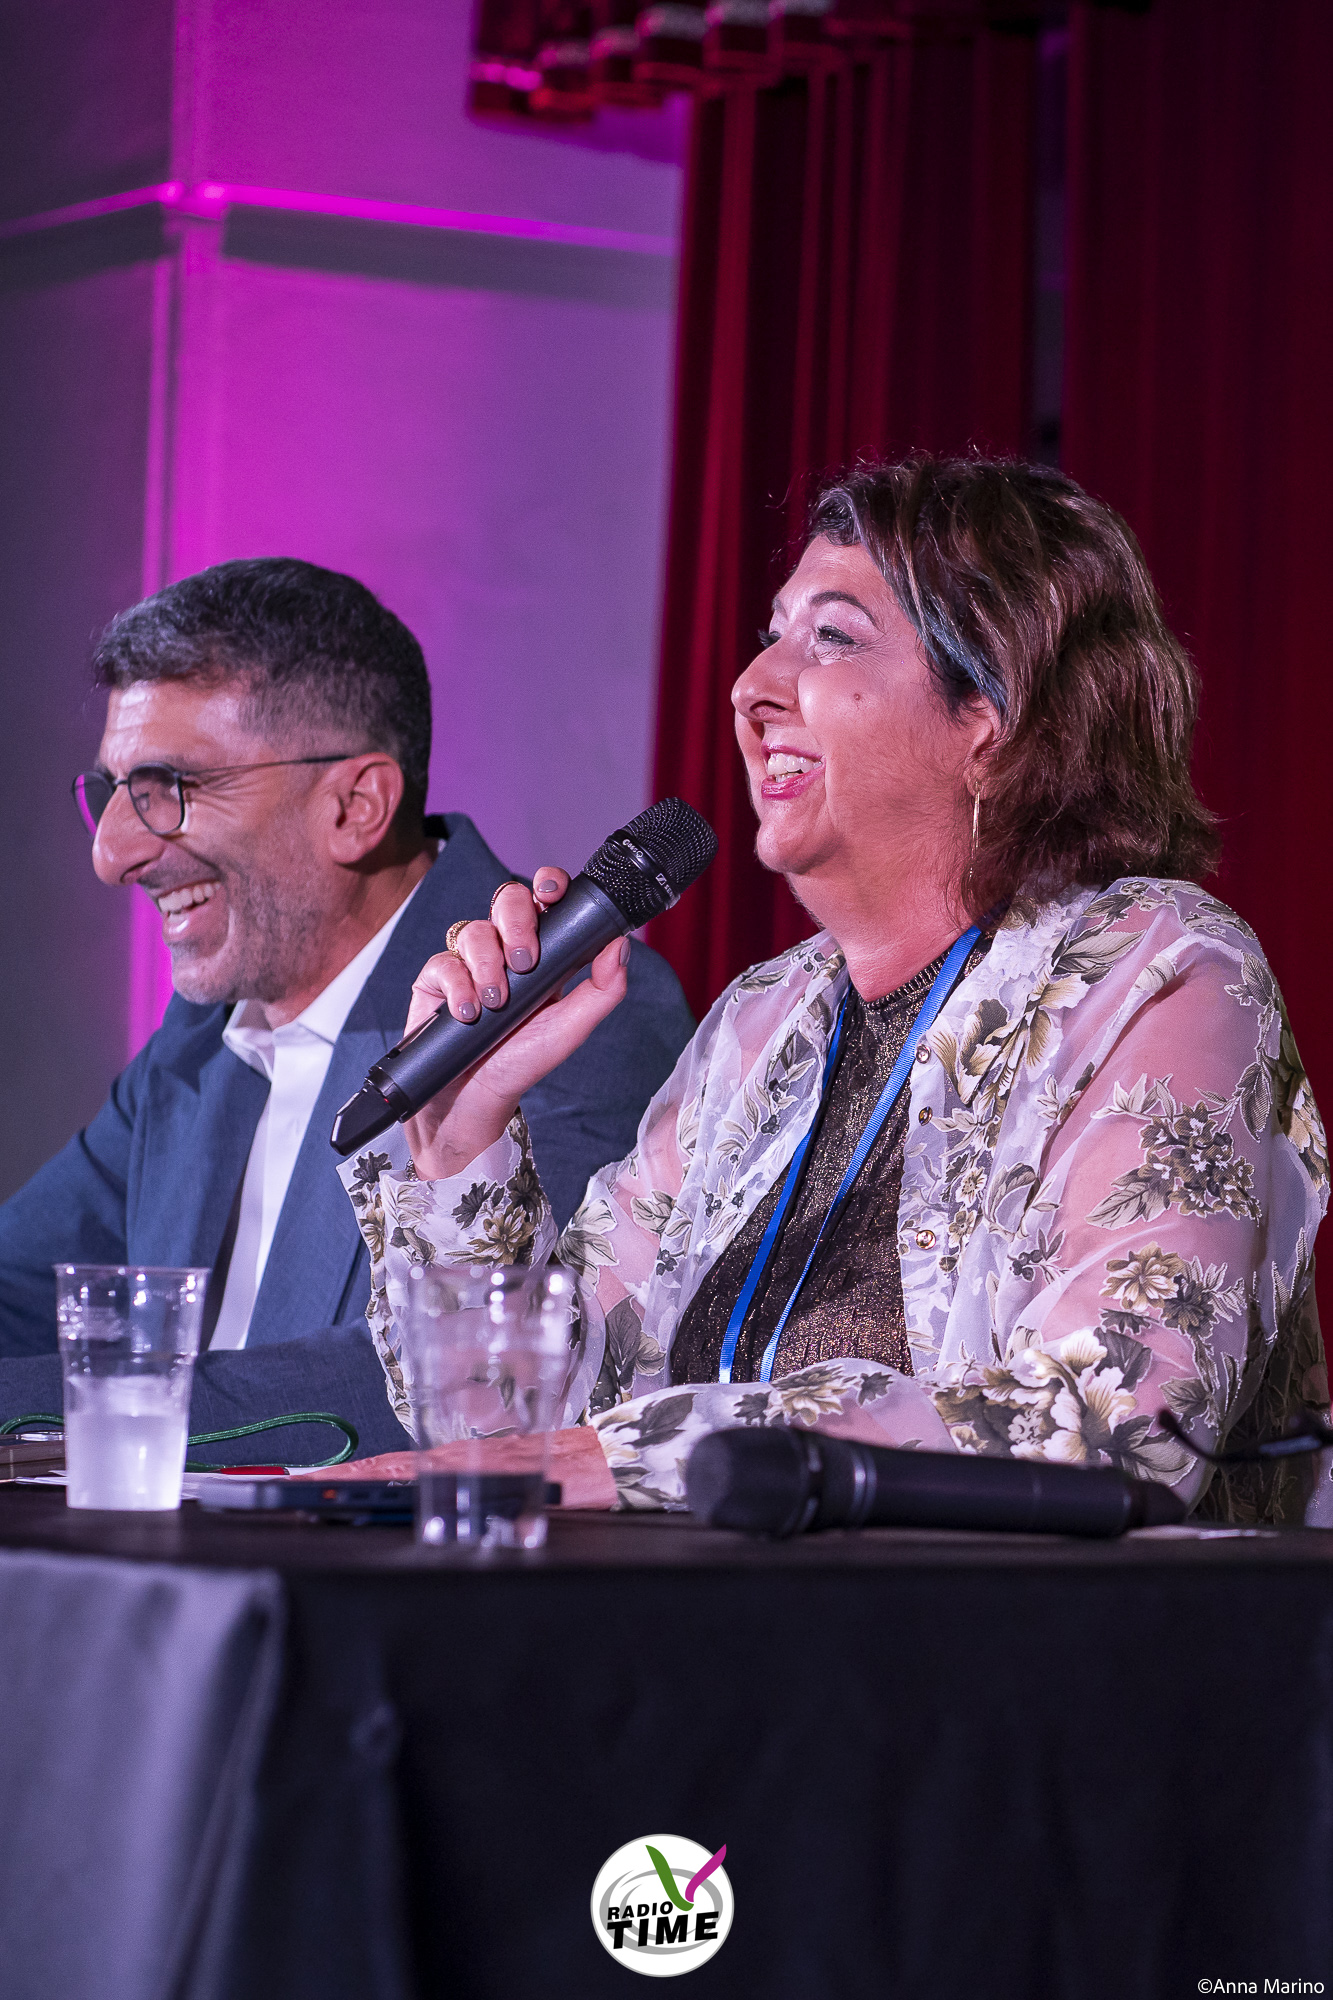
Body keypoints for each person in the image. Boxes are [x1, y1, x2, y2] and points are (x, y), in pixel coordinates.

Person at [339, 458, 1329, 1524]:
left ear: (992, 714)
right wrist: (462, 1141)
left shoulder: (1159, 970)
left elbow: (1113, 1431)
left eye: (832, 637)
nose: (750, 685)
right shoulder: (762, 1023)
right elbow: (514, 1438)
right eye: (770, 634)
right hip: (696, 1618)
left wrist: (642, 1455)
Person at [0, 559, 694, 1396]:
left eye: (166, 789)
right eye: (115, 791)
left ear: (356, 806)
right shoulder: (202, 1038)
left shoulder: (566, 1009)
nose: (111, 855)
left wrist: (119, 1410)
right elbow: (17, 1296)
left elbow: (454, 1383)